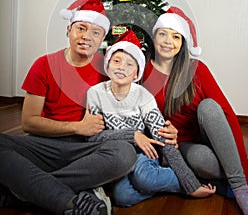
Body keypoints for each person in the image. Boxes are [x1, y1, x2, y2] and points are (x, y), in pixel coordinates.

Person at [0, 0, 138, 215]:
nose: (86, 36)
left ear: (102, 38)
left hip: (86, 149)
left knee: (124, 154)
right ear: (69, 30)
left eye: (95, 32)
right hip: (44, 145)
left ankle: (27, 191)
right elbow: (28, 122)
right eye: (81, 28)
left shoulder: (108, 68)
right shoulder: (43, 65)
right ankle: (71, 197)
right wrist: (77, 126)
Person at [86, 29, 216, 206]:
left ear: (136, 73)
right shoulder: (95, 94)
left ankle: (191, 181)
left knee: (144, 178)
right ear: (108, 66)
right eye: (116, 61)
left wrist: (190, 185)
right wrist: (132, 135)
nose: (122, 67)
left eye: (130, 64)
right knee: (123, 197)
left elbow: (162, 135)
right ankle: (172, 182)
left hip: (144, 152)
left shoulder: (143, 96)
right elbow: (93, 137)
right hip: (116, 154)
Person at [141, 6, 248, 215]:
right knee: (198, 160)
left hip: (211, 134)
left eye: (175, 37)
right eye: (162, 34)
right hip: (183, 146)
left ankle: (239, 186)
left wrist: (243, 173)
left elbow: (226, 115)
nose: (167, 41)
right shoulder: (142, 69)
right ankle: (228, 177)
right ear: (154, 36)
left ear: (182, 44)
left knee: (209, 107)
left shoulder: (196, 69)